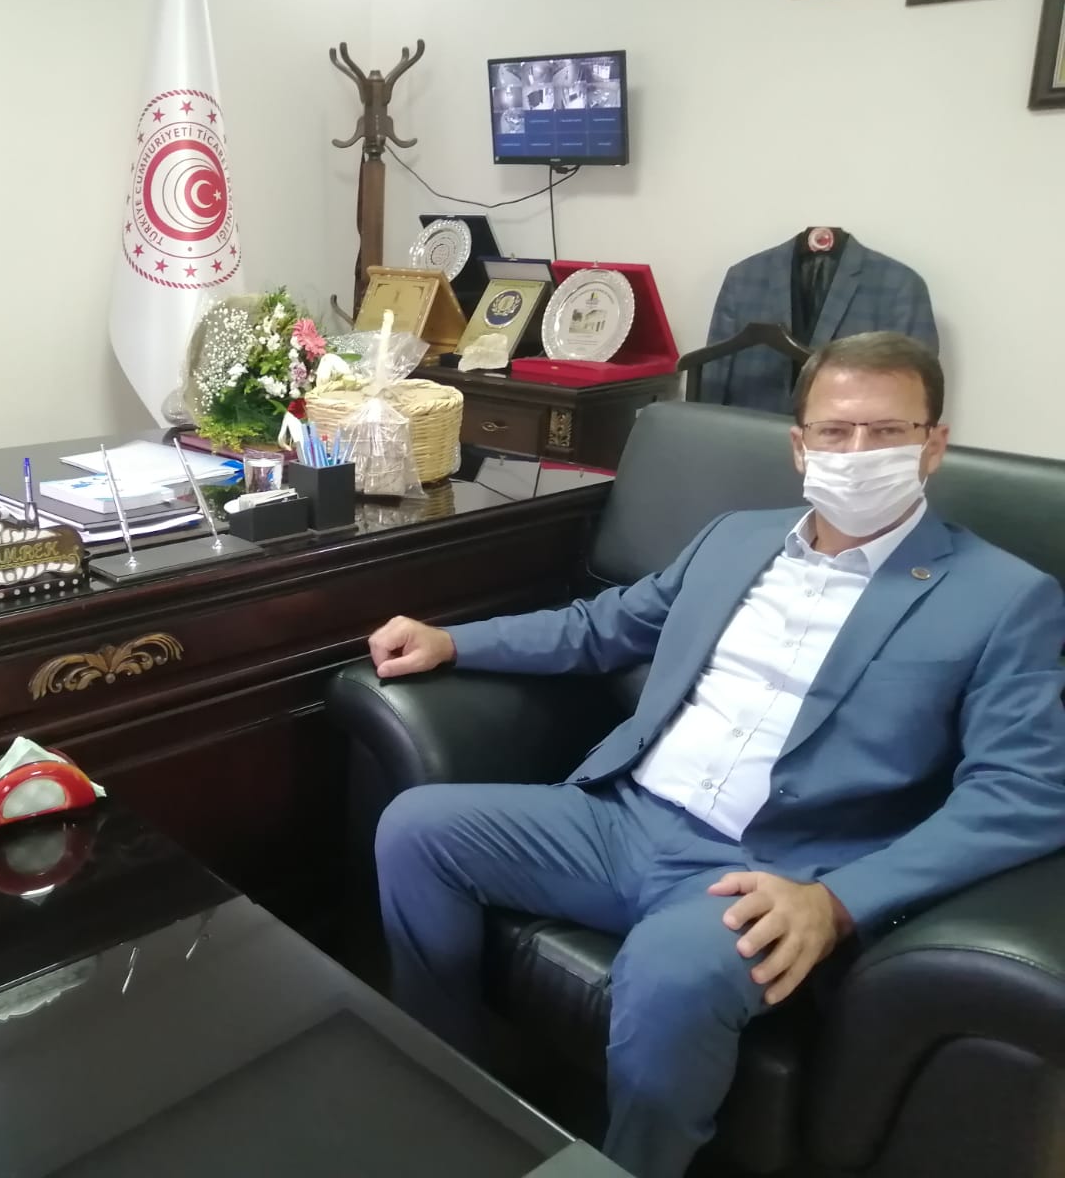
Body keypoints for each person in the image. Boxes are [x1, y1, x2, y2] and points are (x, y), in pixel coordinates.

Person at [367, 331, 1065, 1178]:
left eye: (887, 431)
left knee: (670, 971)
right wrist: (454, 641)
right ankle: (452, 1094)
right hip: (621, 820)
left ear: (933, 445)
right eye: (835, 431)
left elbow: (1024, 794)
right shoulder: (737, 538)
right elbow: (603, 627)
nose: (858, 452)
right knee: (417, 828)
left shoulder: (1004, 597)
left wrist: (839, 902)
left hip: (772, 870)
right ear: (800, 445)